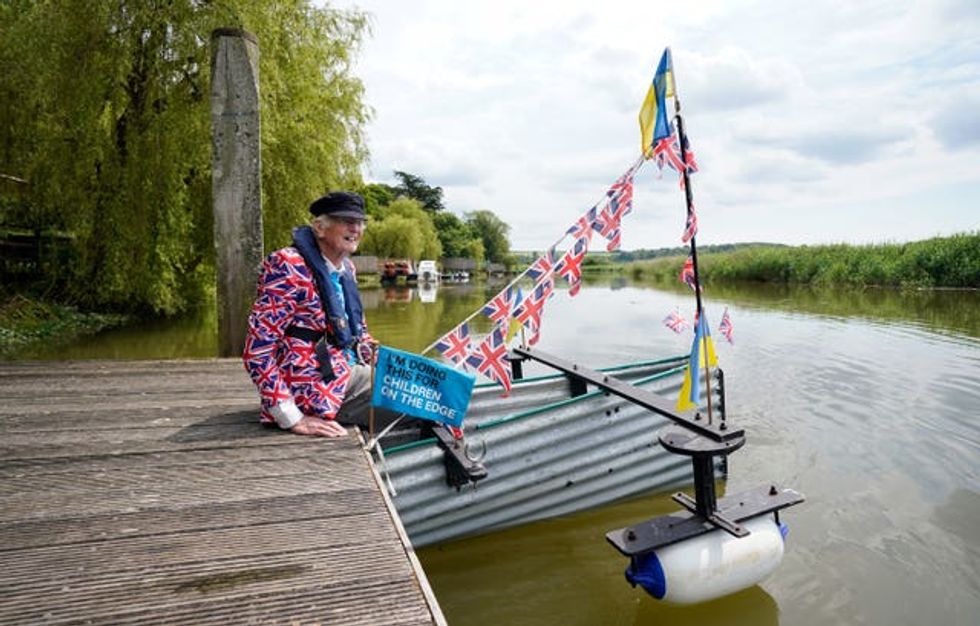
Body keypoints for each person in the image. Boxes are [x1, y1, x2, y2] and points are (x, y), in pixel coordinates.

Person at [242, 191, 380, 438]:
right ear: (319, 227)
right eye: (346, 221)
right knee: (426, 396)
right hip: (315, 386)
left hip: (348, 370)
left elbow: (359, 336)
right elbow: (257, 349)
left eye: (359, 222)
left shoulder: (347, 268)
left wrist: (390, 361)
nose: (355, 228)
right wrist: (291, 416)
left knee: (425, 380)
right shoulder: (287, 264)